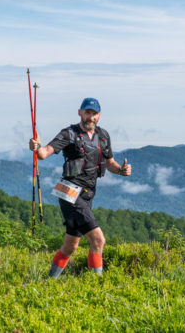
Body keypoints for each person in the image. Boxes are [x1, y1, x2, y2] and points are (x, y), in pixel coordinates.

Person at [29, 97, 131, 278]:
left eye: (94, 114)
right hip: (69, 191)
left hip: (88, 195)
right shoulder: (69, 133)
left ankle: (47, 283)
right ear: (80, 112)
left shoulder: (103, 136)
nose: (90, 117)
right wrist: (36, 147)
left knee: (70, 246)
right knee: (98, 240)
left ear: (99, 115)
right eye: (87, 113)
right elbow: (45, 153)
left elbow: (110, 164)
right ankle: (96, 286)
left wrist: (121, 171)